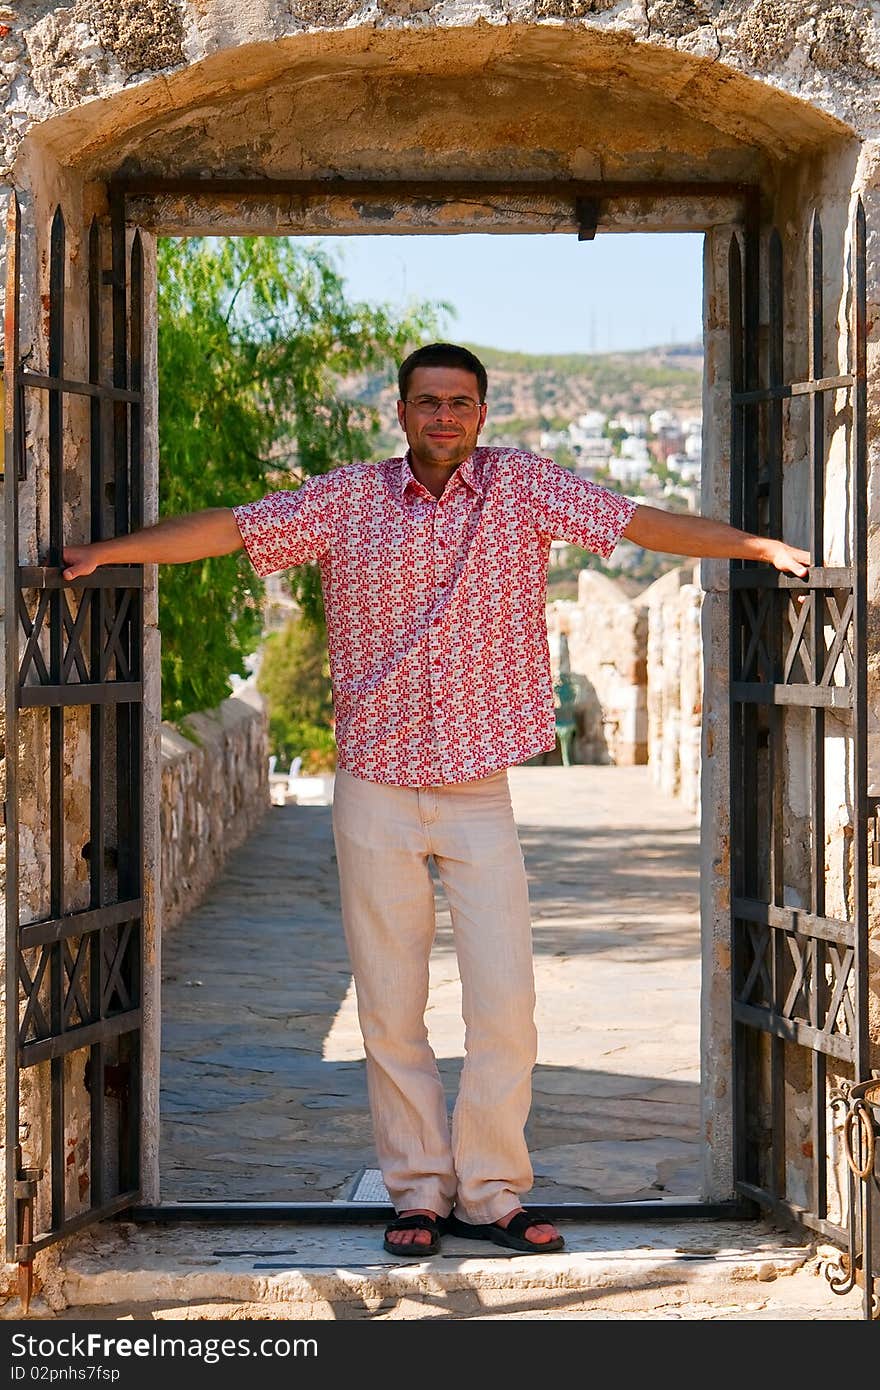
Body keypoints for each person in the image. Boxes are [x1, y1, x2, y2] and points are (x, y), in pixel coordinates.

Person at [62, 341, 810, 1259]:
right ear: (402, 412)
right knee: (389, 1006)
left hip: (478, 794)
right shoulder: (346, 502)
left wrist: (753, 545)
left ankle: (492, 1193)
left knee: (506, 1008)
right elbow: (233, 527)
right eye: (428, 402)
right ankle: (418, 1190)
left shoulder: (523, 488)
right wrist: (109, 551)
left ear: (483, 413)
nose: (444, 417)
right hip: (374, 788)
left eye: (461, 402)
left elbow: (639, 522)